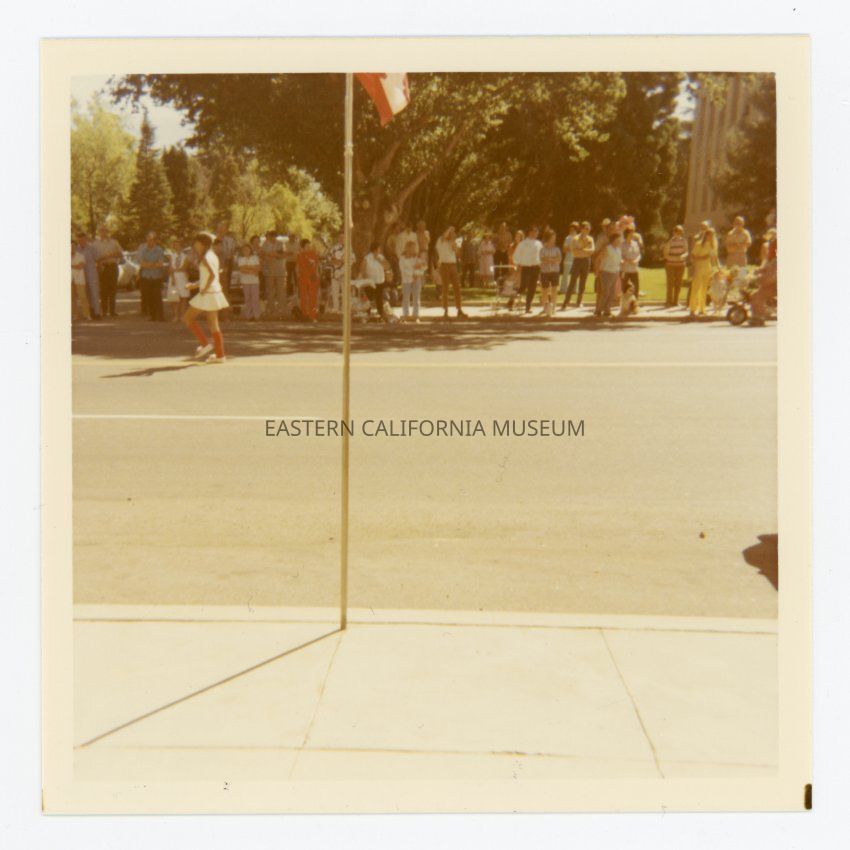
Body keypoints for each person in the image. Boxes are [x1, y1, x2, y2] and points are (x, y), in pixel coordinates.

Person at [182, 233, 229, 362]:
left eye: (196, 242)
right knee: (213, 324)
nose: (194, 245)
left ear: (201, 243)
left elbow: (212, 275)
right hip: (214, 292)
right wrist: (195, 285)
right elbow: (211, 275)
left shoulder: (205, 257)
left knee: (187, 318)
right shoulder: (213, 255)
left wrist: (203, 289)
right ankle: (220, 356)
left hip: (208, 293)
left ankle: (205, 344)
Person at [135, 231, 168, 321]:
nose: (149, 242)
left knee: (157, 296)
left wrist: (148, 264)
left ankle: (160, 316)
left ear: (155, 241)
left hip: (156, 276)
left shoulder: (159, 250)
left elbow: (160, 264)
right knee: (149, 297)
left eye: (152, 240)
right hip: (146, 276)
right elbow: (141, 263)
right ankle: (153, 316)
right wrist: (153, 264)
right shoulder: (144, 250)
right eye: (148, 240)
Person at [688, 224, 719, 318]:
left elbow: (714, 258)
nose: (710, 237)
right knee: (696, 288)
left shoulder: (712, 246)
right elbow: (693, 256)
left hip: (707, 268)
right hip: (699, 268)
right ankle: (693, 308)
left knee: (704, 289)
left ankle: (702, 309)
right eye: (709, 235)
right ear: (706, 235)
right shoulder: (699, 244)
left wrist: (718, 268)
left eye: (712, 235)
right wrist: (702, 257)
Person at [435, 226, 466, 319]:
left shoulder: (452, 242)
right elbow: (444, 236)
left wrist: (454, 241)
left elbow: (456, 252)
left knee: (457, 287)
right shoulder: (440, 240)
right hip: (444, 265)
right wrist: (450, 229)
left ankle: (459, 309)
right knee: (445, 288)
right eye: (451, 233)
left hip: (453, 265)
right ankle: (445, 310)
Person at [561, 221, 594, 309]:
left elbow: (592, 250)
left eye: (589, 229)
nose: (588, 230)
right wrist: (585, 251)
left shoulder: (590, 239)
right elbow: (574, 251)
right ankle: (566, 302)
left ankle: (579, 301)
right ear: (582, 229)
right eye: (586, 228)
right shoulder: (575, 238)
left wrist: (582, 251)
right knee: (573, 281)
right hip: (577, 261)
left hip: (586, 261)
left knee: (583, 282)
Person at [512, 226, 544, 314]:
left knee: (532, 288)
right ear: (530, 232)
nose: (536, 234)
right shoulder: (523, 243)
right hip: (526, 267)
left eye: (537, 232)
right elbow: (516, 256)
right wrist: (518, 264)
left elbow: (542, 254)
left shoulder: (539, 243)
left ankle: (528, 306)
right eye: (535, 232)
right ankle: (512, 300)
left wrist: (541, 263)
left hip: (536, 267)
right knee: (523, 286)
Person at [93, 226, 123, 318]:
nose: (103, 233)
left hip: (113, 266)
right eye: (101, 231)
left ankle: (112, 311)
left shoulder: (114, 242)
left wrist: (111, 254)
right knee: (104, 290)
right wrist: (102, 258)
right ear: (99, 232)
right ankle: (104, 311)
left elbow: (120, 254)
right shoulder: (95, 244)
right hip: (103, 268)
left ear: (108, 232)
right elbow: (94, 257)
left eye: (105, 231)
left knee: (113, 289)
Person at [749, 236, 777, 326]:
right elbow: (765, 269)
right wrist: (758, 271)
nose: (769, 250)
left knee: (757, 296)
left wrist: (758, 280)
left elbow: (771, 277)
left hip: (774, 286)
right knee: (754, 295)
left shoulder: (776, 261)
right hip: (771, 285)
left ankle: (759, 318)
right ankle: (761, 314)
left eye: (771, 247)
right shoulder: (772, 260)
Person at [595, 231, 622, 318]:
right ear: (614, 240)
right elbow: (598, 259)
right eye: (618, 239)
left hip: (615, 272)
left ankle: (607, 310)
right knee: (605, 292)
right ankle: (598, 310)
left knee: (612, 293)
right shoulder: (607, 248)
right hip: (606, 272)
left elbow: (618, 261)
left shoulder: (618, 250)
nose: (620, 241)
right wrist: (597, 271)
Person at [260, 231, 287, 318]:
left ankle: (281, 311)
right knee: (269, 291)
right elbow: (261, 254)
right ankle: (270, 310)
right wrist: (268, 256)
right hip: (269, 271)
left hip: (280, 271)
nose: (272, 238)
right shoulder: (265, 244)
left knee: (281, 291)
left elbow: (284, 255)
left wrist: (274, 255)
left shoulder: (281, 244)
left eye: (274, 236)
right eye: (270, 236)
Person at [76, 233, 101, 320]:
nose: (81, 241)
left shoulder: (92, 248)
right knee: (85, 294)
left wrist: (98, 270)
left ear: (86, 239)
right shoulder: (76, 249)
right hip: (80, 273)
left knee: (94, 292)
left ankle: (97, 313)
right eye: (79, 240)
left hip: (91, 272)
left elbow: (98, 259)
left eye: (83, 239)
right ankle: (90, 311)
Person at [663, 225, 689, 307]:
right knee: (670, 283)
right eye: (677, 232)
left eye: (680, 232)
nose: (678, 234)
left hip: (681, 265)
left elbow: (686, 252)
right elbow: (665, 254)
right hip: (670, 265)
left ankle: (676, 301)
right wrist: (674, 258)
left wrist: (683, 255)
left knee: (678, 284)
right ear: (674, 232)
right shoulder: (670, 241)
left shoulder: (684, 241)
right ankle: (668, 301)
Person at [361, 241, 389, 320]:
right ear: (375, 249)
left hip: (380, 281)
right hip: (370, 282)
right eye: (379, 249)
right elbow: (363, 269)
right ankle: (367, 314)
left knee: (379, 299)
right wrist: (365, 279)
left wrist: (381, 261)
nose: (380, 250)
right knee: (369, 299)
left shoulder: (381, 257)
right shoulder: (367, 258)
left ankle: (380, 314)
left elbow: (387, 266)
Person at [538, 228, 562, 317]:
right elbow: (542, 260)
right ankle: (545, 307)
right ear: (548, 238)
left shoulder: (557, 249)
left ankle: (553, 307)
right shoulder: (542, 249)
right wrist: (553, 259)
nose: (554, 239)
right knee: (545, 290)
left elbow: (559, 259)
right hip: (545, 271)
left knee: (554, 289)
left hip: (555, 271)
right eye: (553, 237)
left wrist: (549, 259)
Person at [398, 240, 423, 322]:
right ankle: (406, 314)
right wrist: (412, 274)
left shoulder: (417, 258)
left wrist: (417, 274)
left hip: (416, 280)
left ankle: (416, 315)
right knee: (406, 298)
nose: (414, 249)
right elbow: (402, 269)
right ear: (407, 248)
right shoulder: (402, 258)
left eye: (415, 248)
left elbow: (422, 267)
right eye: (412, 248)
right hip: (406, 280)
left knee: (416, 297)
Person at [296, 237, 321, 322]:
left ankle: (312, 316)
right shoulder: (300, 255)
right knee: (303, 297)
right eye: (307, 246)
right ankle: (304, 315)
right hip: (304, 278)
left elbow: (317, 265)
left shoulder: (314, 254)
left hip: (313, 278)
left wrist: (316, 275)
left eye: (309, 246)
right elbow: (300, 268)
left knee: (313, 297)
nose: (309, 247)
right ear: (302, 247)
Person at [168, 236, 191, 322]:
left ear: (181, 246)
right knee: (174, 297)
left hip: (182, 278)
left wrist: (175, 269)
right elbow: (170, 268)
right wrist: (173, 277)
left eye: (178, 245)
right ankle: (175, 315)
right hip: (173, 278)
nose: (176, 247)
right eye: (175, 245)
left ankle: (182, 315)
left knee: (183, 297)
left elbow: (184, 268)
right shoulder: (171, 256)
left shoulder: (186, 256)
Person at [237, 242, 262, 321]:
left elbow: (258, 268)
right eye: (244, 250)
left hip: (254, 281)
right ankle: (248, 316)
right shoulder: (240, 259)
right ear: (242, 251)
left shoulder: (255, 258)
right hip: (245, 281)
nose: (246, 251)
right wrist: (252, 269)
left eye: (248, 249)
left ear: (250, 250)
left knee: (255, 298)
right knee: (247, 298)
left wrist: (247, 267)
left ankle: (256, 316)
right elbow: (241, 270)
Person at [214, 222, 237, 297]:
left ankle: (225, 300)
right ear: (217, 229)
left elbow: (232, 253)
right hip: (214, 264)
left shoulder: (230, 240)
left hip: (227, 264)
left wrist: (227, 264)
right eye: (220, 228)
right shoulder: (212, 239)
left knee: (225, 285)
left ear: (226, 230)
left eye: (223, 229)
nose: (221, 230)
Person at [71, 238, 92, 320]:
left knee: (83, 297)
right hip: (70, 279)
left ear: (76, 247)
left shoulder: (81, 256)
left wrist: (70, 265)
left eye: (73, 246)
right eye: (70, 246)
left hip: (79, 279)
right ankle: (75, 315)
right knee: (72, 299)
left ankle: (87, 315)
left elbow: (80, 266)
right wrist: (75, 265)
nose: (72, 248)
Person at [620, 227, 642, 303]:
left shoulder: (635, 244)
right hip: (625, 269)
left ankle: (635, 303)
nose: (632, 235)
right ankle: (624, 303)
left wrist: (636, 260)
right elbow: (620, 256)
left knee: (636, 287)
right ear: (627, 234)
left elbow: (639, 254)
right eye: (630, 233)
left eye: (633, 233)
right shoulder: (622, 245)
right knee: (624, 287)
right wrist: (627, 260)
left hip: (634, 269)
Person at [560, 222, 578, 297]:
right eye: (571, 229)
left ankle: (574, 289)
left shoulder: (578, 238)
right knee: (566, 274)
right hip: (568, 259)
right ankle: (563, 289)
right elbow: (564, 249)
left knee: (575, 275)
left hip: (576, 259)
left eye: (574, 229)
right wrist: (571, 249)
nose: (572, 230)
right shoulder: (568, 238)